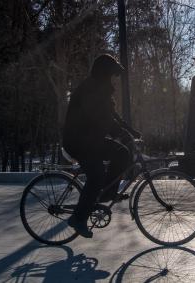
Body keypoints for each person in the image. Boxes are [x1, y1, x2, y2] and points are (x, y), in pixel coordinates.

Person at [63, 54, 140, 238]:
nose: (113, 78)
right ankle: (78, 218)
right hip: (78, 141)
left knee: (122, 153)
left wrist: (131, 131)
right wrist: (120, 133)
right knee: (96, 175)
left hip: (91, 140)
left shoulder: (102, 89)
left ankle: (106, 194)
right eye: (111, 74)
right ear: (104, 73)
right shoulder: (91, 89)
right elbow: (99, 118)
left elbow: (112, 116)